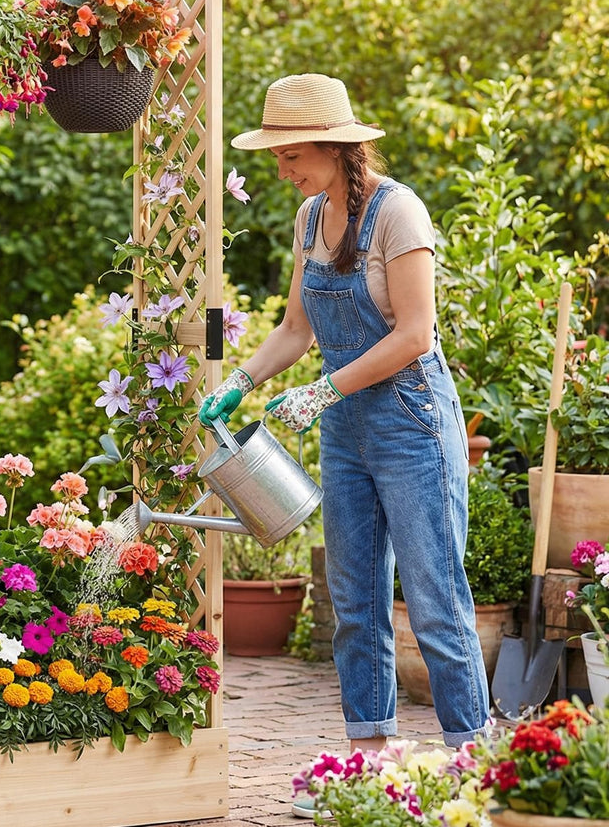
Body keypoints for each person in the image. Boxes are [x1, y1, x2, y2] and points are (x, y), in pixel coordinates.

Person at [200, 73, 490, 775]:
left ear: (333, 147)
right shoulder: (309, 221)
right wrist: (240, 381)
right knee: (354, 601)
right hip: (346, 428)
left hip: (412, 423)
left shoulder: (399, 215)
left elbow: (416, 334)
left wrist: (322, 391)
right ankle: (372, 753)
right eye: (276, 156)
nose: (282, 168)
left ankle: (474, 764)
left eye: (290, 154)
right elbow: (297, 328)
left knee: (434, 600)